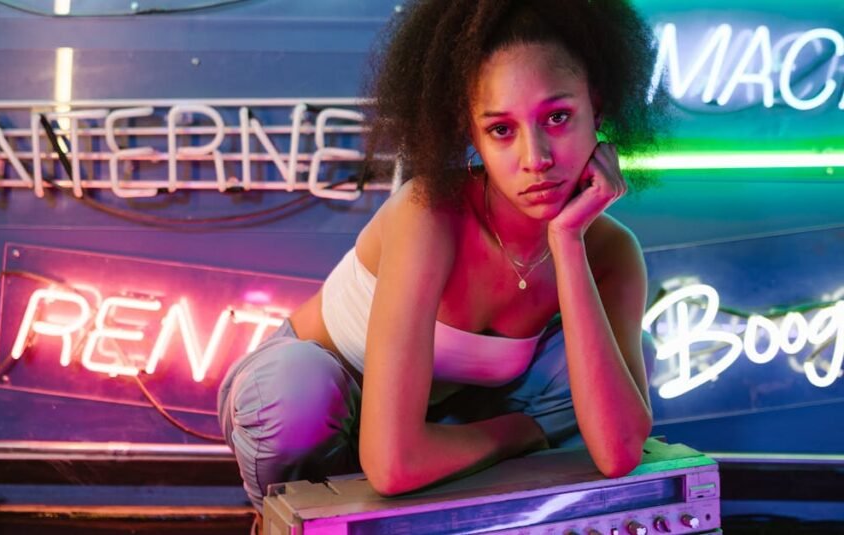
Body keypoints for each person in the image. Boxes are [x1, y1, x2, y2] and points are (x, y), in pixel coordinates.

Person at [218, 0, 664, 516]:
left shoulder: (610, 250)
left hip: (452, 416)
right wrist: (519, 434)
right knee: (295, 393)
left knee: (627, 358)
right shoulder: (428, 213)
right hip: (323, 411)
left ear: (599, 111)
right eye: (501, 130)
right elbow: (390, 465)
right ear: (470, 132)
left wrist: (567, 244)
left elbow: (620, 450)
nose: (535, 158)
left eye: (558, 117)